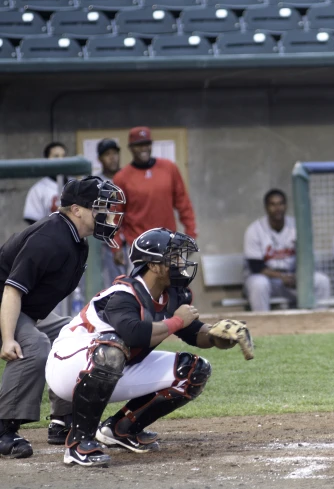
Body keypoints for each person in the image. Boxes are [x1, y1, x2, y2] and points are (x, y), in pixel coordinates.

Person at [45, 228, 234, 467]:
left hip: (113, 363)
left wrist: (218, 335)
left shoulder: (173, 294)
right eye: (173, 257)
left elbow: (194, 332)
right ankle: (78, 443)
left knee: (194, 370)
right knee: (111, 351)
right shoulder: (123, 294)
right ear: (154, 265)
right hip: (67, 365)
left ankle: (121, 429)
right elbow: (133, 333)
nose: (180, 262)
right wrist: (176, 321)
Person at [0, 176, 125, 459]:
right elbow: (11, 289)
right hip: (5, 305)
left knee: (76, 335)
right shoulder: (50, 238)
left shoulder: (72, 236)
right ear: (77, 210)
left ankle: (63, 419)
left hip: (23, 309)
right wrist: (8, 338)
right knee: (35, 347)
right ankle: (3, 428)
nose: (107, 214)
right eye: (100, 207)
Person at [111, 126, 197, 268]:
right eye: (138, 145)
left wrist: (191, 232)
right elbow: (115, 215)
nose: (143, 148)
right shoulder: (122, 178)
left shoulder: (169, 168)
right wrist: (116, 247)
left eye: (147, 144)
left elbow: (183, 203)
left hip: (169, 246)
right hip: (139, 247)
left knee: (175, 288)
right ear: (131, 148)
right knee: (140, 289)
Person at [244, 189, 330, 311]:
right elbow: (256, 267)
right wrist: (281, 277)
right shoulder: (254, 230)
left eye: (281, 204)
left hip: (293, 277)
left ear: (286, 205)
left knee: (321, 281)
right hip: (268, 279)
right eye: (273, 204)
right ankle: (262, 324)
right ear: (266, 207)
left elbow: (307, 258)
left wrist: (299, 276)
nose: (277, 208)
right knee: (259, 284)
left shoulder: (297, 226)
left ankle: (320, 322)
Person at [95, 138, 127, 289]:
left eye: (115, 153)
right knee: (115, 286)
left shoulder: (129, 177)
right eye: (107, 154)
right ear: (100, 158)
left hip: (131, 239)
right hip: (107, 244)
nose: (112, 157)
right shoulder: (96, 182)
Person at [23, 141, 67, 225]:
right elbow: (33, 222)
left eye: (63, 156)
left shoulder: (75, 185)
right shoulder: (38, 189)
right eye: (56, 156)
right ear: (47, 160)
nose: (61, 159)